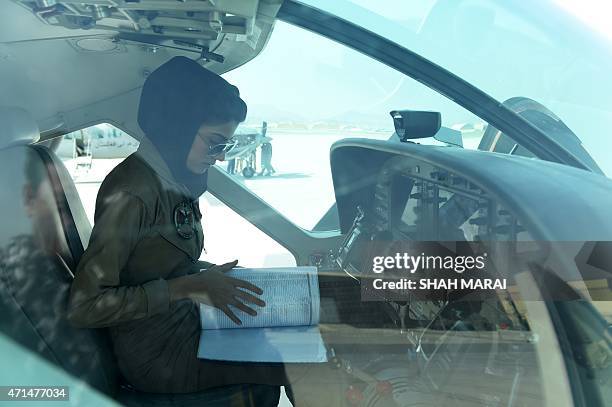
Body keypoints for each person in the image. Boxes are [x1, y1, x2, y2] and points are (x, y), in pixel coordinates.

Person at [67, 57, 289, 404]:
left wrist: (206, 278)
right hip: (158, 355)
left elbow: (159, 265)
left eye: (225, 146)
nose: (218, 157)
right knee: (294, 362)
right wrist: (188, 286)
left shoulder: (168, 181)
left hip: (184, 325)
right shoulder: (132, 192)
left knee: (292, 336)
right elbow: (85, 306)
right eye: (215, 142)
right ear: (177, 127)